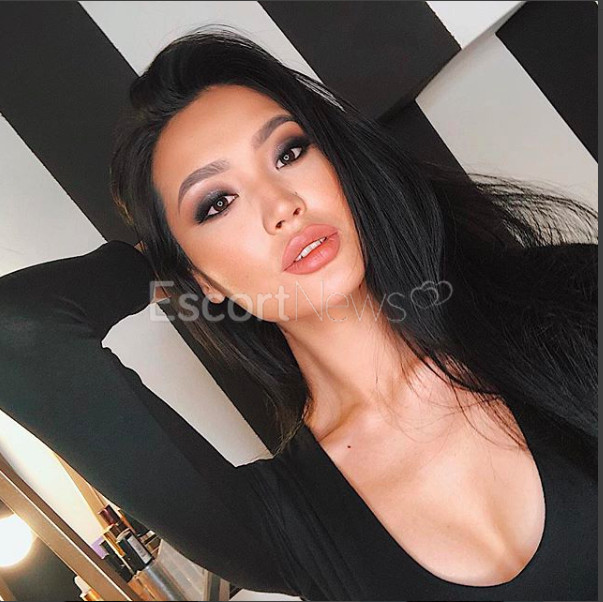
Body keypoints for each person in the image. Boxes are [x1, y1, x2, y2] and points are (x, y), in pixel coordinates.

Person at [0, 25, 597, 601]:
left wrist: (192, 252)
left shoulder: (569, 299)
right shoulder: (288, 527)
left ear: (339, 165)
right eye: (217, 204)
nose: (282, 205)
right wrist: (160, 267)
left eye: (288, 152)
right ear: (198, 278)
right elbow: (19, 331)